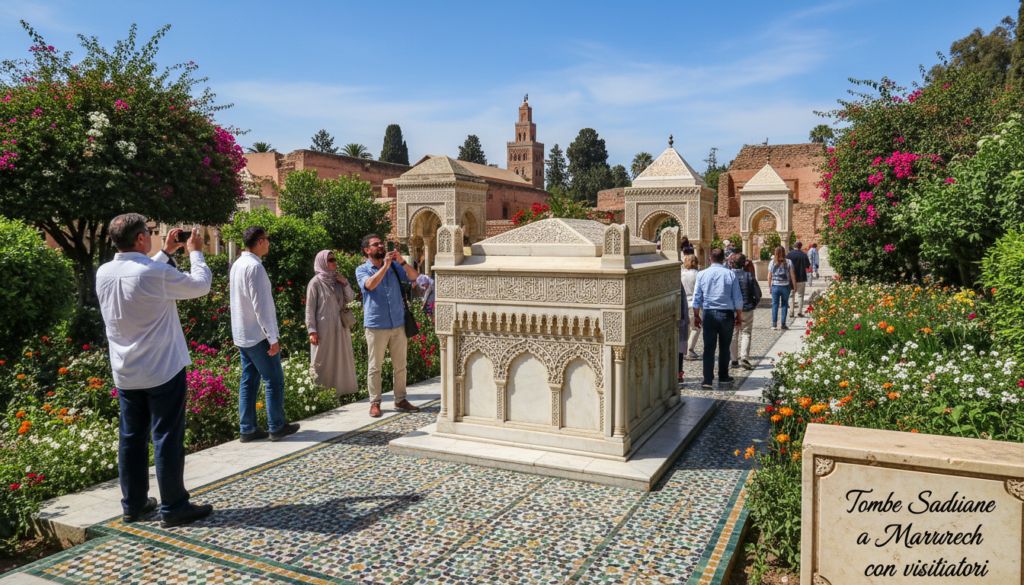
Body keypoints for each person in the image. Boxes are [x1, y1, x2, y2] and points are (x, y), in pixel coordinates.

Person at [96, 215, 213, 528]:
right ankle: (174, 506)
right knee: (166, 437)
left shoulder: (104, 272)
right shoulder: (155, 273)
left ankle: (133, 504)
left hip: (126, 371)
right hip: (162, 368)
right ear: (139, 239)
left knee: (131, 438)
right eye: (149, 232)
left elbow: (143, 274)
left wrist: (166, 252)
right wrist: (195, 252)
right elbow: (200, 286)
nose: (151, 236)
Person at [230, 226, 300, 442]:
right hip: (258, 334)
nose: (269, 243)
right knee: (274, 379)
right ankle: (276, 426)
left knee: (249, 379)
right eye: (267, 239)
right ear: (260, 241)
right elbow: (262, 306)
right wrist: (273, 337)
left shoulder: (237, 264)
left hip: (243, 333)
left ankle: (248, 428)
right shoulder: (255, 267)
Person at [356, 234, 422, 417]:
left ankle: (400, 400)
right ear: (367, 250)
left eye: (381, 244)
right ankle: (375, 402)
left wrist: (401, 262)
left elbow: (415, 276)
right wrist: (385, 266)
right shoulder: (362, 269)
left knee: (400, 366)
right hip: (376, 325)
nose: (380, 246)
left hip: (398, 324)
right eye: (375, 244)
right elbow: (369, 285)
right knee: (375, 367)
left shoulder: (394, 266)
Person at [305, 250, 358, 400]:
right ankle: (319, 395)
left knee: (339, 358)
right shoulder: (315, 282)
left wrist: (344, 282)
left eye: (334, 259)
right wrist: (311, 330)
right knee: (322, 360)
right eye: (330, 260)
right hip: (323, 327)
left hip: (340, 326)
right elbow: (309, 308)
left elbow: (350, 297)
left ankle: (339, 394)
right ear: (322, 262)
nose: (334, 262)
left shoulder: (338, 280)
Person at [691, 248, 743, 389]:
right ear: (724, 259)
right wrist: (738, 315)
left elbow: (697, 298)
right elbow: (737, 298)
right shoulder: (730, 275)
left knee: (709, 348)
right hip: (726, 314)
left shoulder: (702, 274)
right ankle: (723, 376)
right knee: (724, 347)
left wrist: (696, 315)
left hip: (709, 313)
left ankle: (707, 379)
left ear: (710, 258)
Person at [729, 253, 762, 370]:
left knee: (733, 334)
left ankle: (734, 360)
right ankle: (744, 358)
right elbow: (758, 294)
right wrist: (753, 304)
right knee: (746, 333)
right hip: (746, 307)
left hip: (731, 309)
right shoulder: (749, 276)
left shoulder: (728, 276)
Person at [768, 245, 797, 330]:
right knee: (784, 304)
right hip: (785, 286)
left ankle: (774, 324)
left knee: (775, 304)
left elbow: (769, 276)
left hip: (775, 285)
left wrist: (770, 286)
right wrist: (795, 286)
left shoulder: (772, 262)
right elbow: (792, 275)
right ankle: (783, 324)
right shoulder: (788, 262)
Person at [680, 254, 701, 361]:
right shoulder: (697, 274)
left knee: (686, 328)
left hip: (683, 304)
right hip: (694, 304)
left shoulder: (681, 273)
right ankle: (689, 350)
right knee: (696, 327)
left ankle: (684, 349)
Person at [787, 242, 811, 318]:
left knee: (791, 295)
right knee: (800, 295)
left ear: (794, 246)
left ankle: (791, 311)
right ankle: (799, 312)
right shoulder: (804, 255)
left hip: (791, 278)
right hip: (801, 277)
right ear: (801, 247)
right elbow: (807, 266)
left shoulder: (789, 254)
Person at [677, 281, 690, 380]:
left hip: (679, 320)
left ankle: (678, 372)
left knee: (678, 348)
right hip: (679, 320)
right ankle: (678, 372)